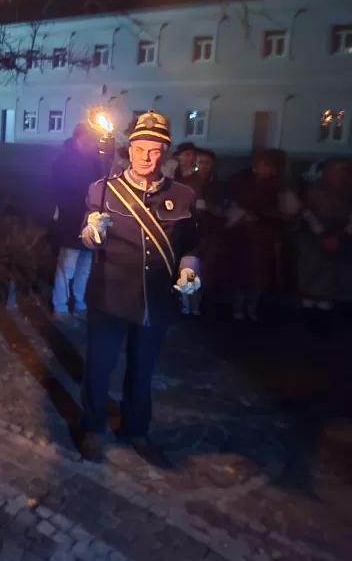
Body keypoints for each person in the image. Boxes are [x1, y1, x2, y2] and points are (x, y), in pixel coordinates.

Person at [77, 110, 200, 468]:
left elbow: (190, 245)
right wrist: (91, 231)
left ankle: (136, 429)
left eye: (155, 149)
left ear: (166, 152)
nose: (146, 157)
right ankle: (92, 427)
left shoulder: (184, 195)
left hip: (155, 299)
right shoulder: (102, 190)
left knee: (143, 370)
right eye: (139, 148)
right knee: (99, 366)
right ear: (128, 149)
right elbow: (85, 237)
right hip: (109, 296)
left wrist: (189, 270)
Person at [225, 149, 300, 321]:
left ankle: (252, 307)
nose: (265, 168)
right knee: (240, 272)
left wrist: (270, 217)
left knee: (260, 275)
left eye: (270, 165)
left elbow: (290, 211)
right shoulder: (240, 181)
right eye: (262, 164)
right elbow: (230, 204)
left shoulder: (279, 185)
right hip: (242, 235)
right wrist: (241, 215)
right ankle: (237, 307)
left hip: (265, 236)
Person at [50, 123, 102, 316]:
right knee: (67, 265)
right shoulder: (64, 161)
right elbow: (60, 193)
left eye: (92, 138)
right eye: (86, 138)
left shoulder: (96, 161)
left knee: (85, 265)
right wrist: (79, 216)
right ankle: (61, 304)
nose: (90, 142)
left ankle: (79, 300)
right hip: (72, 222)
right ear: (77, 138)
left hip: (92, 221)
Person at [177, 148, 228, 316]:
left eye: (207, 162)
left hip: (211, 232)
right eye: (200, 162)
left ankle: (197, 304)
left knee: (206, 270)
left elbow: (224, 210)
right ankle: (186, 304)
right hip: (190, 232)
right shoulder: (186, 183)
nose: (203, 166)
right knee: (189, 268)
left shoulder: (219, 186)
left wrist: (209, 207)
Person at [297, 158, 352, 312]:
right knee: (312, 264)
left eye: (343, 171)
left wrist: (348, 225)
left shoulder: (347, 190)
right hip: (315, 233)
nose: (340, 174)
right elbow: (304, 208)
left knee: (331, 266)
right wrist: (314, 223)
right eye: (336, 170)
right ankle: (308, 296)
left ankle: (325, 297)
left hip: (338, 231)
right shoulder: (314, 189)